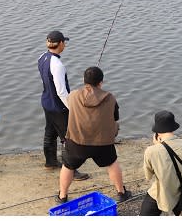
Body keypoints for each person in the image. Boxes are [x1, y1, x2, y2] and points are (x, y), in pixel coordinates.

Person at [56, 66, 132, 204]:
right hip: (103, 144)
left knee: (67, 166)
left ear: (84, 81)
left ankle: (62, 196)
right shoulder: (110, 98)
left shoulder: (73, 95)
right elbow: (115, 118)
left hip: (76, 143)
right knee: (112, 163)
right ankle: (121, 192)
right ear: (101, 82)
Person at [38, 30, 89, 180]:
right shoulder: (57, 64)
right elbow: (61, 91)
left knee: (50, 132)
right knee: (68, 138)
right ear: (60, 44)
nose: (65, 45)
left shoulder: (42, 57)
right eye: (64, 42)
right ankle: (71, 169)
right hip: (58, 106)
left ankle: (50, 162)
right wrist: (72, 107)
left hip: (47, 101)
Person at [141, 111, 182, 216]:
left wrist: (158, 145)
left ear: (157, 133)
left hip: (161, 194)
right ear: (173, 128)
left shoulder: (151, 151)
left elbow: (148, 176)